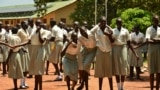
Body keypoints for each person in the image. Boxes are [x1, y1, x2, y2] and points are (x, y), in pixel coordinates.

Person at [112, 18, 138, 90]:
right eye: (118, 22)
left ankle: (122, 87)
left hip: (123, 48)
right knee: (117, 67)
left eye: (121, 22)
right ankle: (118, 87)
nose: (120, 24)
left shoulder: (125, 31)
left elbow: (129, 43)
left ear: (122, 23)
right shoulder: (113, 31)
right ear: (116, 23)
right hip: (115, 48)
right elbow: (111, 41)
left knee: (123, 67)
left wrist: (135, 54)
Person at [90, 16, 113, 90]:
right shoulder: (97, 29)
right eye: (102, 21)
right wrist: (97, 25)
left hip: (108, 51)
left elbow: (112, 38)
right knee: (100, 71)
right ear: (100, 22)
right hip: (100, 51)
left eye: (105, 21)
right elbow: (90, 32)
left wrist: (108, 28)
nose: (104, 23)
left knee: (109, 71)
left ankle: (111, 88)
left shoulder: (108, 29)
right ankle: (100, 88)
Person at [145, 15, 160, 90]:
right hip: (151, 51)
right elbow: (148, 40)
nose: (157, 21)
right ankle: (151, 88)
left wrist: (154, 40)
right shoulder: (149, 29)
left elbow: (152, 40)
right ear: (153, 20)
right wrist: (157, 40)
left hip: (159, 51)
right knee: (151, 71)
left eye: (158, 20)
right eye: (155, 20)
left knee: (159, 71)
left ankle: (157, 88)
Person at [17, 20, 30, 89]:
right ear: (22, 24)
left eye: (27, 24)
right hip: (22, 50)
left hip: (27, 49)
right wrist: (22, 48)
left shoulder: (26, 31)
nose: (27, 25)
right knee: (22, 67)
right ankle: (21, 83)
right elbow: (18, 41)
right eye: (25, 24)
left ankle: (24, 82)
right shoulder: (20, 31)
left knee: (26, 67)